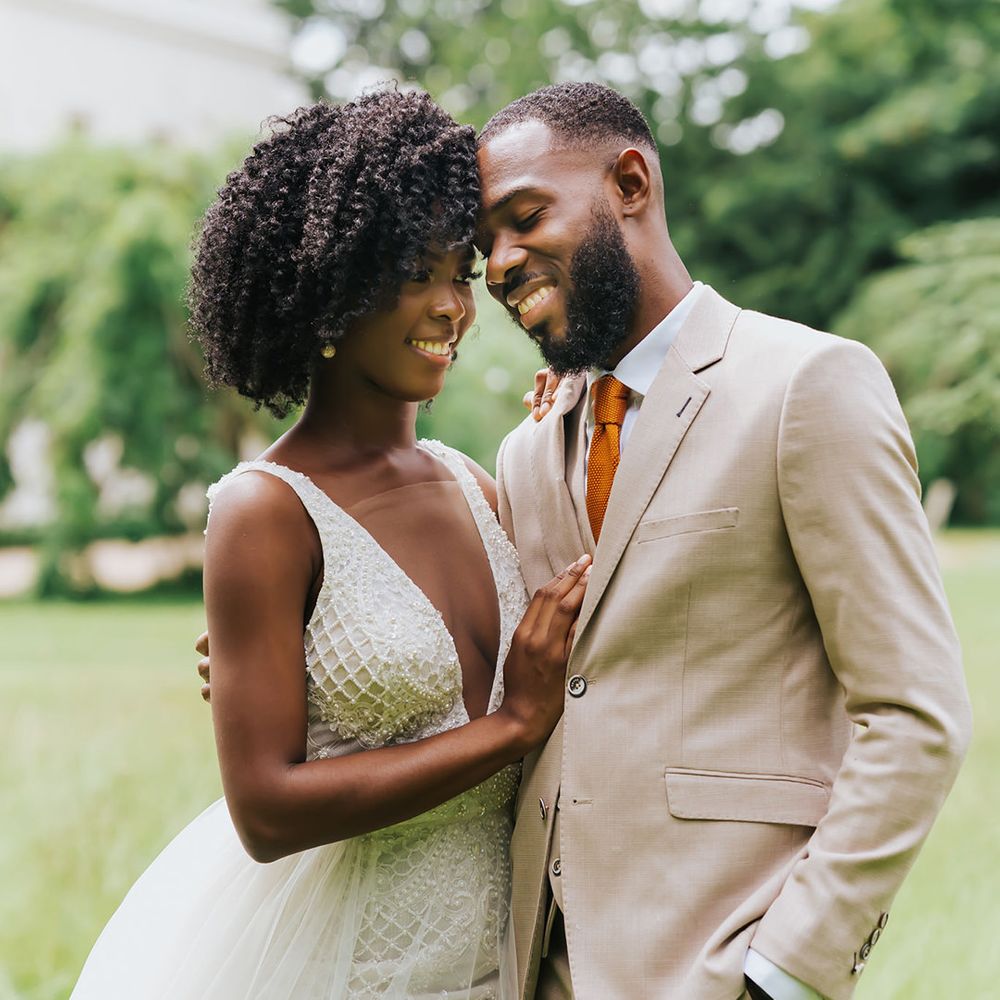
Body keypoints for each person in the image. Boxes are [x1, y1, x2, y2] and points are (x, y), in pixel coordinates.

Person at [70, 88, 591, 1000]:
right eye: (411, 274)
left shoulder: (480, 484)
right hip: (345, 968)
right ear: (323, 283)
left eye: (458, 275)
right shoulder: (267, 511)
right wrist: (511, 728)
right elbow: (265, 811)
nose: (450, 308)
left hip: (502, 964)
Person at [475, 83, 972, 1000]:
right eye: (483, 246)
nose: (501, 262)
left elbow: (916, 715)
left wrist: (782, 973)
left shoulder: (807, 385)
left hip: (716, 964)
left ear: (630, 182)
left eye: (525, 216)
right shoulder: (526, 449)